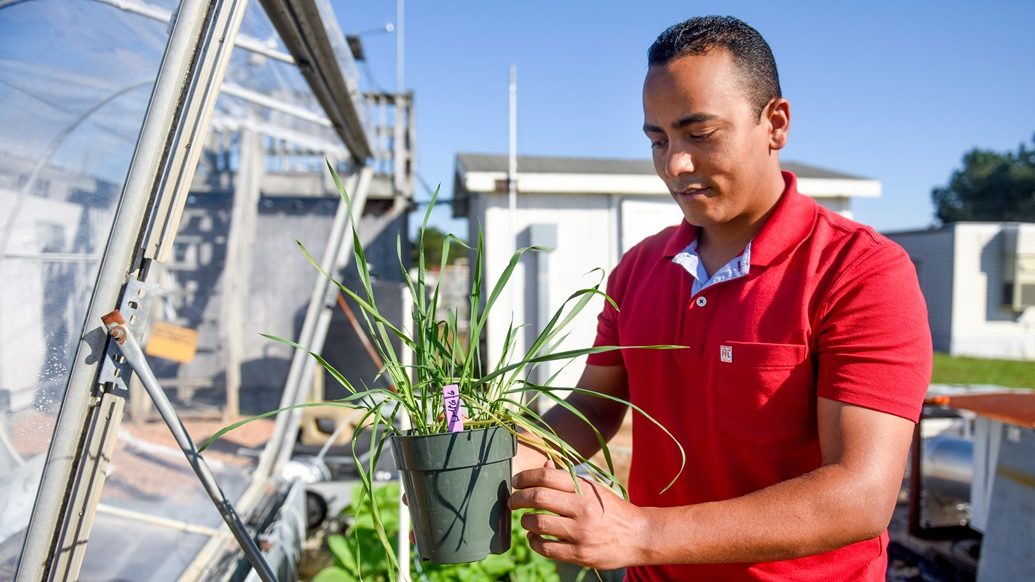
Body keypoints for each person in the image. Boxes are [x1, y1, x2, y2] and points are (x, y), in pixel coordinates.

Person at [508, 15, 932, 581]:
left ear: (775, 123)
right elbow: (596, 404)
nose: (674, 165)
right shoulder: (639, 269)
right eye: (657, 140)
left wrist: (640, 533)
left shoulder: (860, 271)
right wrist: (501, 457)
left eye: (699, 134)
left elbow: (859, 493)